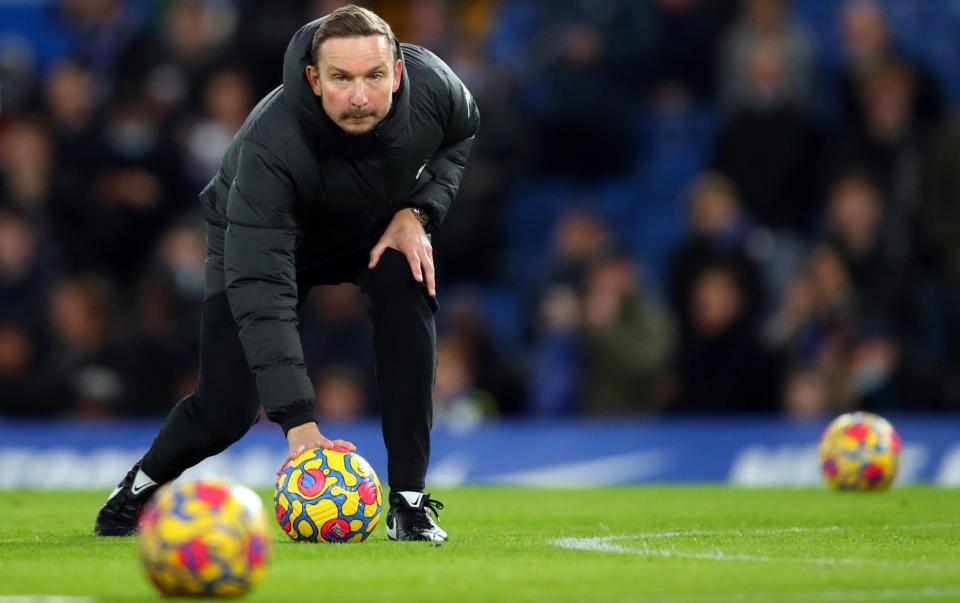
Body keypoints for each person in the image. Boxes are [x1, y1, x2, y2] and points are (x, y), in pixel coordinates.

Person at [94, 4, 479, 543]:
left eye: (373, 77)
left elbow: (463, 134)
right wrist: (299, 426)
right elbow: (264, 292)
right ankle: (138, 487)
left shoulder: (436, 87)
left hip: (371, 226)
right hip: (263, 245)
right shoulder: (271, 148)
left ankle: (410, 504)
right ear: (313, 79)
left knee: (408, 279)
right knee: (226, 411)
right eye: (341, 79)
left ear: (396, 73)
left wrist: (418, 213)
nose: (360, 96)